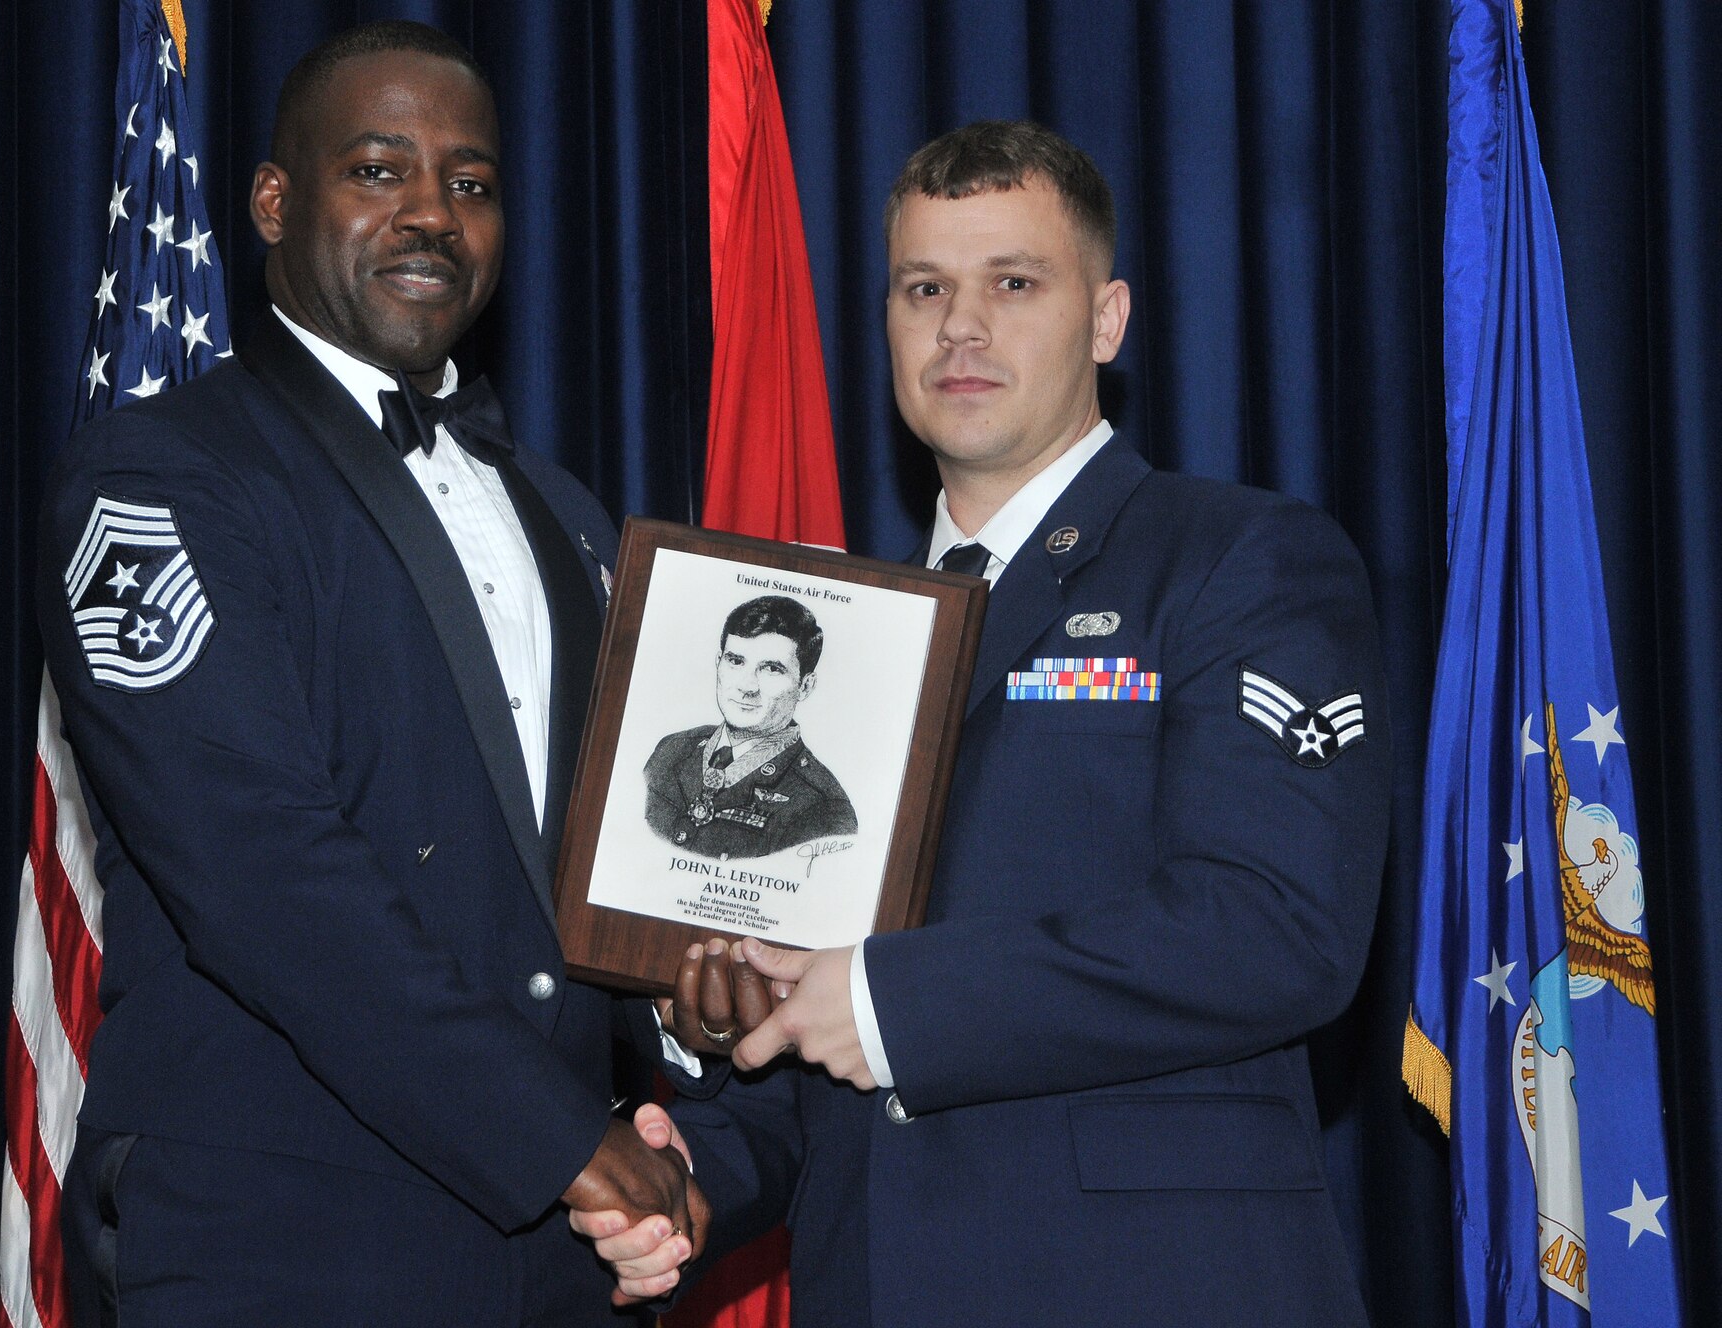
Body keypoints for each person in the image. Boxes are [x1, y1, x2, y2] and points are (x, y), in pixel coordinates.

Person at [578, 121, 1392, 1327]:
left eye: (1012, 283)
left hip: (1153, 1289)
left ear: (1105, 320)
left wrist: (887, 1004)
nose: (960, 326)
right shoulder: (848, 633)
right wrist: (692, 1179)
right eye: (923, 289)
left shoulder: (1237, 559)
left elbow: (1274, 927)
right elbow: (825, 1062)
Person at [39, 22, 700, 1326]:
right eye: (379, 169)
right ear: (273, 203)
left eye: (470, 182)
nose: (431, 214)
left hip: (561, 1267)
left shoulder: (567, 515)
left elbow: (618, 870)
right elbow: (260, 869)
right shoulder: (158, 480)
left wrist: (697, 1025)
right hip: (286, 1243)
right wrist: (557, 1136)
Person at [644, 594, 858, 858]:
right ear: (718, 663)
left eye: (772, 669)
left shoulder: (824, 807)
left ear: (805, 686)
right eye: (736, 661)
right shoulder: (671, 750)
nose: (747, 686)